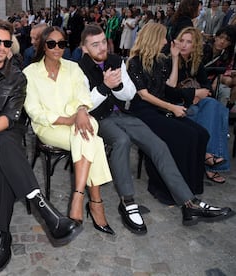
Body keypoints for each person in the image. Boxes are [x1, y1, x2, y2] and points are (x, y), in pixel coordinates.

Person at [0, 20, 81, 274]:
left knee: (6, 150)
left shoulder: (17, 77)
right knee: (5, 148)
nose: (2, 47)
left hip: (4, 134)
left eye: (7, 42)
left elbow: (10, 117)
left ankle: (2, 237)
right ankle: (44, 210)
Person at [78, 23, 233, 234]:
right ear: (85, 48)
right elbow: (85, 103)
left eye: (104, 42)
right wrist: (105, 87)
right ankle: (127, 201)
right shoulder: (78, 69)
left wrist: (117, 86)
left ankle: (189, 203)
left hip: (123, 113)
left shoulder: (115, 61)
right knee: (121, 141)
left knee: (158, 145)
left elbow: (130, 94)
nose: (102, 47)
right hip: (98, 118)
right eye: (95, 45)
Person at [23, 26, 114, 235]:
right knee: (94, 140)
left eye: (62, 44)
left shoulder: (73, 68)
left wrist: (81, 111)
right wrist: (69, 119)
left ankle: (78, 196)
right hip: (50, 127)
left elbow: (84, 96)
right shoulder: (30, 73)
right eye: (52, 44)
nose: (57, 48)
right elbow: (35, 112)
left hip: (79, 121)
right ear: (43, 46)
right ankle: (94, 203)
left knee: (86, 132)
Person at [126, 22, 211, 205]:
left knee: (201, 134)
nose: (166, 40)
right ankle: (166, 190)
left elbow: (170, 86)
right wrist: (171, 107)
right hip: (142, 112)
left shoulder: (161, 60)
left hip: (161, 108)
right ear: (154, 38)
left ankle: (192, 187)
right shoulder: (134, 62)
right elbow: (144, 95)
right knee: (183, 135)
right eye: (163, 37)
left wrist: (173, 58)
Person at [175, 27, 230, 183]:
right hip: (177, 103)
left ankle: (209, 155)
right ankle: (210, 163)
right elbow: (168, 90)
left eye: (189, 42)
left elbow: (207, 85)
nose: (184, 45)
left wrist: (201, 93)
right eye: (182, 41)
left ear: (195, 46)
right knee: (200, 111)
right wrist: (193, 94)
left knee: (214, 106)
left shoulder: (195, 62)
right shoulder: (170, 59)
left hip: (195, 100)